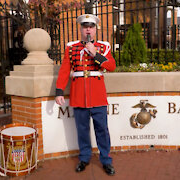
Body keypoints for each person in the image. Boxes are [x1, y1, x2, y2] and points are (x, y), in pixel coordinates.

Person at [55, 14, 116, 176]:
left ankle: (106, 160)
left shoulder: (104, 47)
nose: (88, 29)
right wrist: (59, 91)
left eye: (91, 26)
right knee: (82, 129)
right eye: (85, 26)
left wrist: (95, 53)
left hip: (97, 95)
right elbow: (64, 70)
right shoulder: (71, 47)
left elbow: (111, 66)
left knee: (102, 129)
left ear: (95, 29)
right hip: (79, 95)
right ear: (80, 29)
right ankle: (84, 157)